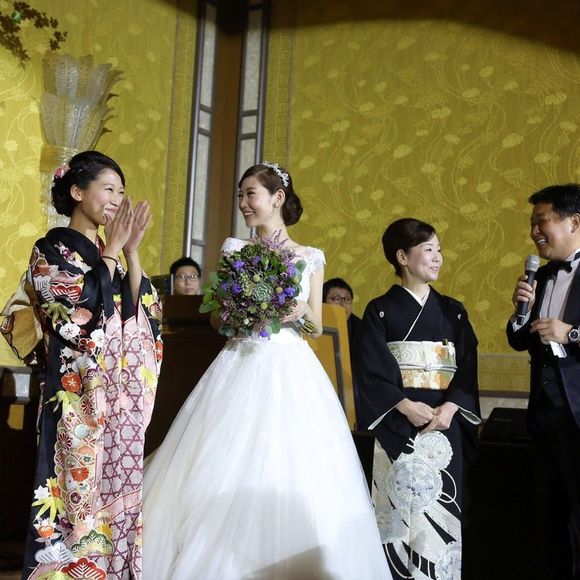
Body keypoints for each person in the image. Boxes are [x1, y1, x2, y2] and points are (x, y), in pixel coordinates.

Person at [142, 162, 391, 579]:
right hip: (239, 359)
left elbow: (316, 326)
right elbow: (216, 319)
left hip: (291, 365)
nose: (243, 203)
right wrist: (238, 311)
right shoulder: (234, 250)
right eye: (240, 195)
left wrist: (298, 309)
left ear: (277, 198)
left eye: (250, 194)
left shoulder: (310, 257)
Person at [8, 151, 163, 579]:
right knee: (73, 492)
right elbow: (75, 313)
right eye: (108, 189)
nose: (116, 200)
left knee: (116, 492)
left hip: (117, 400)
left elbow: (142, 314)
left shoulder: (106, 253)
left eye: (121, 192)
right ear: (77, 192)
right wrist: (111, 252)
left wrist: (131, 252)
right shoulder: (50, 249)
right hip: (74, 395)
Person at [354, 218, 480, 579]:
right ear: (402, 257)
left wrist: (451, 407)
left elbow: (467, 364)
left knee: (441, 513)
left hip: (443, 425)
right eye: (428, 250)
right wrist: (405, 405)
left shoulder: (453, 311)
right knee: (397, 517)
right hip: (399, 423)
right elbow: (370, 370)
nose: (438, 257)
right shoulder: (379, 310)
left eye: (439, 250)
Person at [507, 184, 580, 580]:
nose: (535, 231)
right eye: (532, 223)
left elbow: (566, 335)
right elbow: (519, 340)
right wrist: (521, 310)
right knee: (549, 522)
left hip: (578, 415)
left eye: (542, 221)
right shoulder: (542, 275)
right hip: (544, 418)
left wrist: (571, 333)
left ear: (574, 222)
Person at [323, 277, 362, 354]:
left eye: (347, 299)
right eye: (336, 299)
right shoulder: (313, 322)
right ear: (323, 302)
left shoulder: (361, 329)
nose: (343, 305)